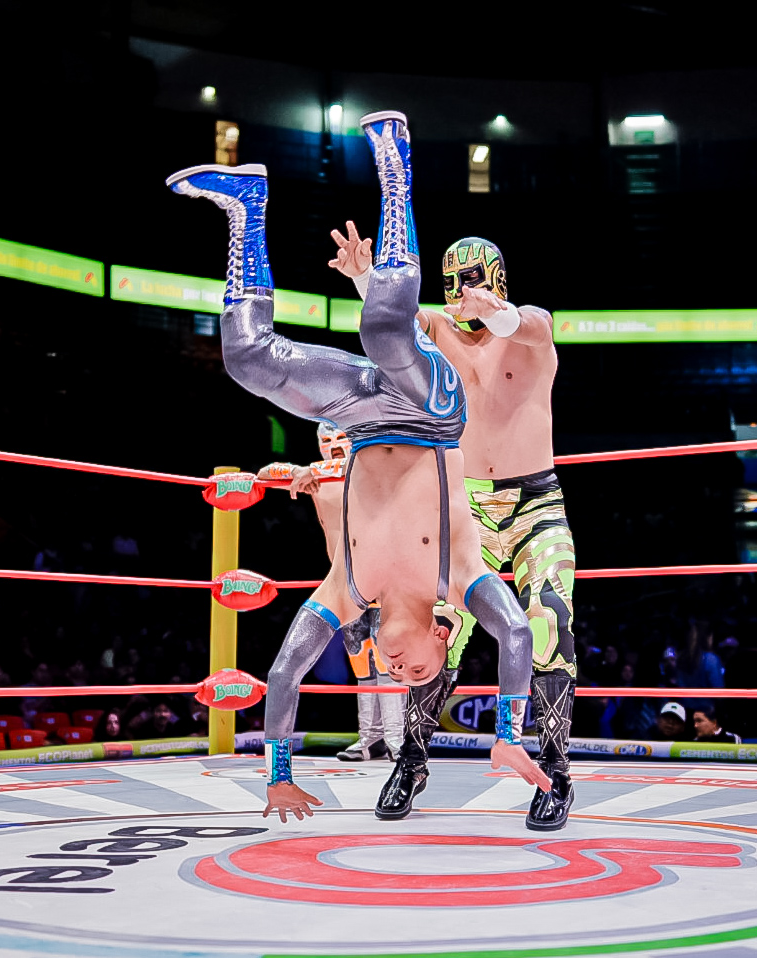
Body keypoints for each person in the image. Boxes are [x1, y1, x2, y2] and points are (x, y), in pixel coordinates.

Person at [167, 110, 549, 824]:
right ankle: (395, 167)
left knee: (249, 361)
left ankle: (246, 208)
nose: (401, 674)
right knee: (382, 329)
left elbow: (285, 672)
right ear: (442, 637)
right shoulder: (459, 581)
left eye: (396, 676)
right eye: (420, 672)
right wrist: (506, 734)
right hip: (432, 412)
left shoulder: (347, 592)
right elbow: (518, 635)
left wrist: (278, 776)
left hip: (362, 418)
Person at [329, 196, 574, 830]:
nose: (463, 291)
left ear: (496, 279)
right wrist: (363, 277)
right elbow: (394, 323)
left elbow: (520, 322)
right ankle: (410, 761)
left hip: (535, 501)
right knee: (439, 627)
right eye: (454, 281)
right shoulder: (435, 329)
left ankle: (554, 771)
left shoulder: (533, 328)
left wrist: (495, 311)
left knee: (548, 620)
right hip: (460, 509)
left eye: (473, 279)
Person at [258, 424, 405, 763]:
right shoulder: (315, 477)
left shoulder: (367, 468)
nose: (336, 446)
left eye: (341, 439)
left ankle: (398, 740)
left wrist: (313, 470)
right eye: (327, 441)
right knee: (360, 658)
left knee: (387, 657)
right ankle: (370, 739)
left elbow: (359, 462)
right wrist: (299, 471)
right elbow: (265, 473)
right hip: (344, 580)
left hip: (382, 574)